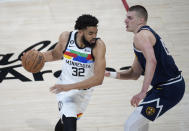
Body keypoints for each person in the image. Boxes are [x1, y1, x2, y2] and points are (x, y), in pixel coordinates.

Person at [105, 5, 185, 131]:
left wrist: (143, 91)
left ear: (141, 20)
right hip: (165, 86)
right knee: (140, 123)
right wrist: (111, 74)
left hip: (170, 87)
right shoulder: (142, 38)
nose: (125, 20)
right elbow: (134, 73)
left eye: (130, 18)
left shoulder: (141, 36)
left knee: (130, 126)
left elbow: (151, 61)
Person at [34, 14, 106, 131]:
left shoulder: (98, 45)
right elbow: (54, 55)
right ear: (80, 31)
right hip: (65, 91)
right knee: (69, 122)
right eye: (90, 33)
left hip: (84, 92)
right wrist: (36, 56)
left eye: (95, 33)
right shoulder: (66, 38)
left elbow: (98, 79)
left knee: (65, 122)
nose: (94, 37)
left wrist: (70, 87)